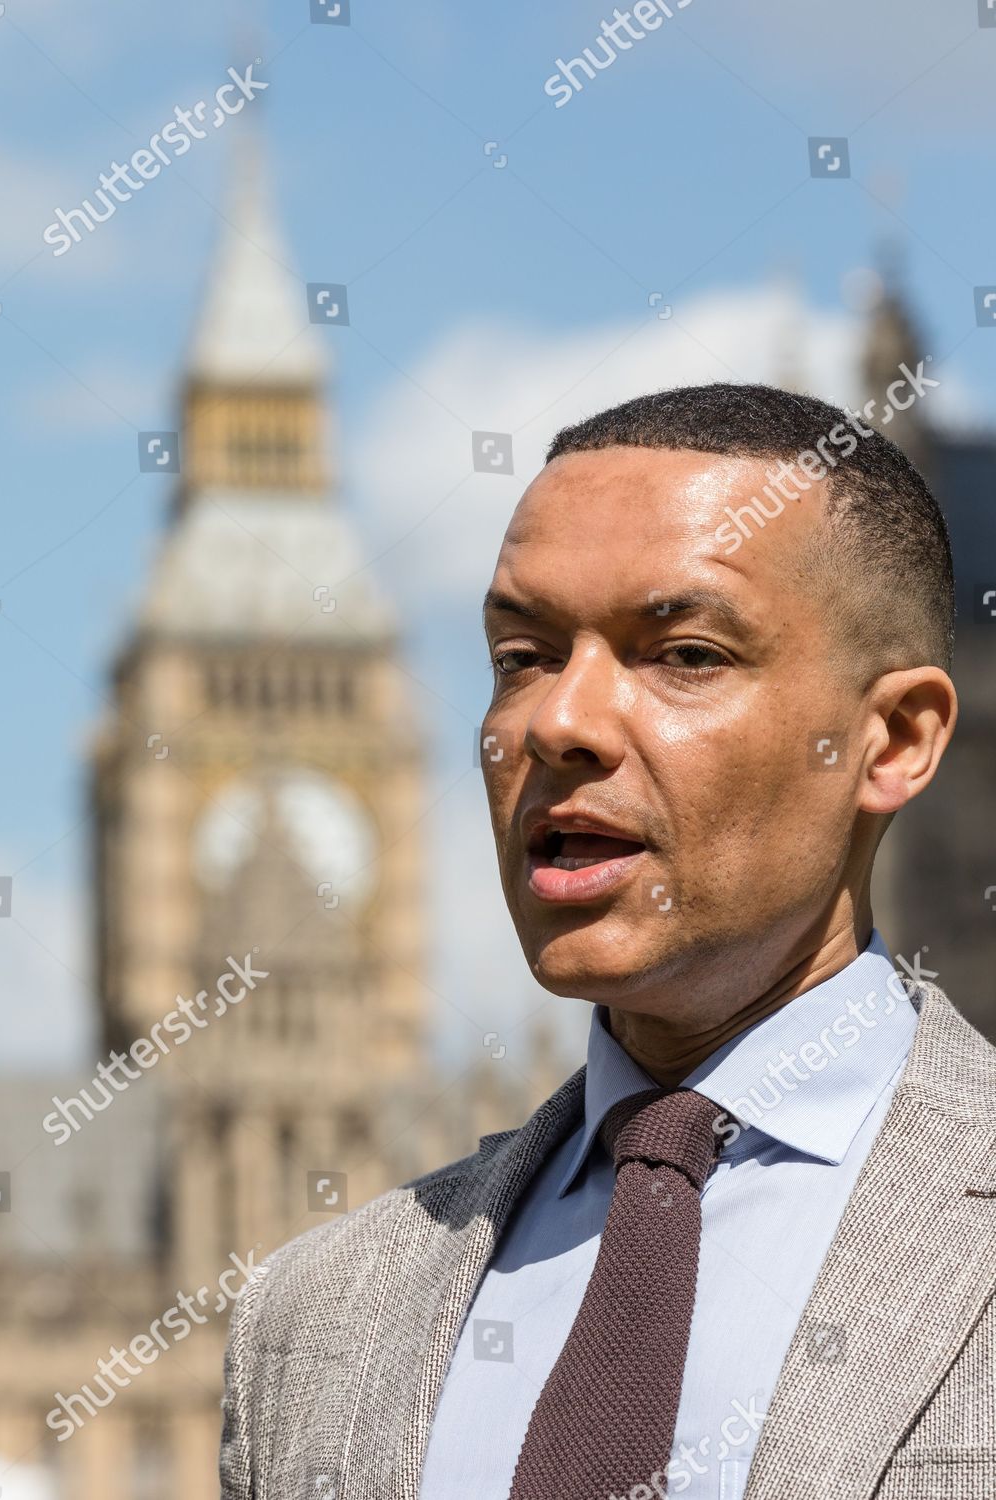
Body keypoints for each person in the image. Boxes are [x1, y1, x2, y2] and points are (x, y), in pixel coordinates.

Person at [220, 383, 995, 1500]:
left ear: (893, 742)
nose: (557, 723)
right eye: (522, 657)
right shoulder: (313, 1318)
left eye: (682, 653)